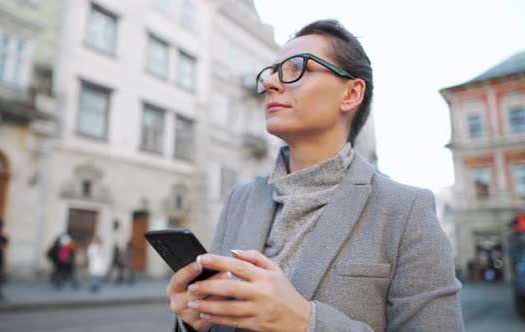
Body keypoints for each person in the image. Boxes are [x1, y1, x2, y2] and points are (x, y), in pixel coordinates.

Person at [167, 19, 463, 331]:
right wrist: (192, 321)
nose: (270, 83)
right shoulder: (240, 198)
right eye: (271, 72)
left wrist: (306, 321)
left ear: (350, 93)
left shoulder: (406, 211)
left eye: (296, 68)